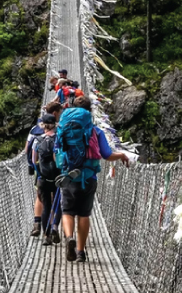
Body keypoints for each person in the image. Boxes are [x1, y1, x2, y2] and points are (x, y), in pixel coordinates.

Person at [57, 95, 129, 263]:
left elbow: (58, 151)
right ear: (90, 111)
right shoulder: (96, 131)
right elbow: (106, 154)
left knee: (67, 211)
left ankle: (69, 238)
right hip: (89, 177)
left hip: (68, 176)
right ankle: (81, 252)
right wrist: (122, 155)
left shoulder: (63, 127)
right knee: (84, 214)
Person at [25, 102, 63, 236]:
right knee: (56, 199)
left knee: (41, 198)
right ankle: (54, 226)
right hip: (57, 173)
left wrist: (32, 166)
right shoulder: (59, 133)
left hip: (41, 172)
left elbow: (27, 149)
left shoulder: (35, 130)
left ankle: (38, 225)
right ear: (54, 115)